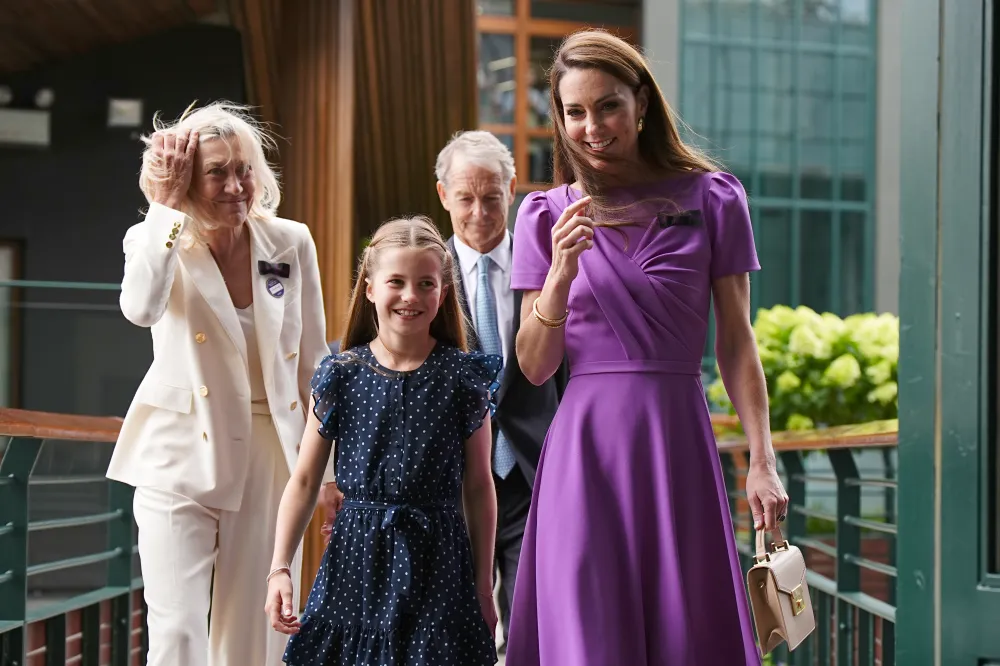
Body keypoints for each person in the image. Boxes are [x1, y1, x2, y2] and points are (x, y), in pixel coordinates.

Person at [504, 30, 790, 665]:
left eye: (607, 106)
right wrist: (559, 276)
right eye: (574, 112)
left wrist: (763, 460)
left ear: (641, 103)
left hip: (675, 445)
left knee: (681, 631)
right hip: (586, 454)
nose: (592, 127)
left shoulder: (715, 198)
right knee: (588, 633)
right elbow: (533, 363)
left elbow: (738, 344)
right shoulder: (545, 215)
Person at [106, 100, 338, 666]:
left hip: (269, 456)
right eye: (217, 172)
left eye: (244, 169)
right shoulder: (155, 238)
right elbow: (139, 307)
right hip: (177, 454)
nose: (237, 185)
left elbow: (314, 363)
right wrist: (163, 209)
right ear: (186, 179)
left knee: (254, 638)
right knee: (178, 633)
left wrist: (329, 474)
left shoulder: (290, 241)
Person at [265, 216, 500, 665]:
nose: (410, 296)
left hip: (440, 564)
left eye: (425, 283)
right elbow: (304, 479)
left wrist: (483, 587)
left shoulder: (463, 377)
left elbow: (478, 485)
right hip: (355, 562)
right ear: (370, 287)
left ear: (443, 293)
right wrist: (280, 568)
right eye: (396, 281)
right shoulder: (341, 374)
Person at [433, 130, 567, 646]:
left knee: (532, 625)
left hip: (535, 473)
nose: (480, 213)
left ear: (511, 189)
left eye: (493, 198)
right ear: (444, 195)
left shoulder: (549, 270)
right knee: (455, 625)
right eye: (466, 198)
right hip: (455, 478)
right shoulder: (425, 278)